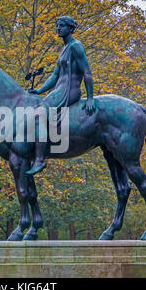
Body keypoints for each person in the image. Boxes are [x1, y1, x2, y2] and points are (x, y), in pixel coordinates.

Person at [26, 16, 95, 175]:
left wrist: (90, 97)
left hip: (69, 91)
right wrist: (40, 90)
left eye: (62, 25)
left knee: (38, 115)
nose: (58, 28)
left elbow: (87, 72)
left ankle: (40, 159)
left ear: (71, 28)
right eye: (57, 25)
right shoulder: (64, 49)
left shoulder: (76, 46)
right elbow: (55, 76)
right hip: (59, 90)